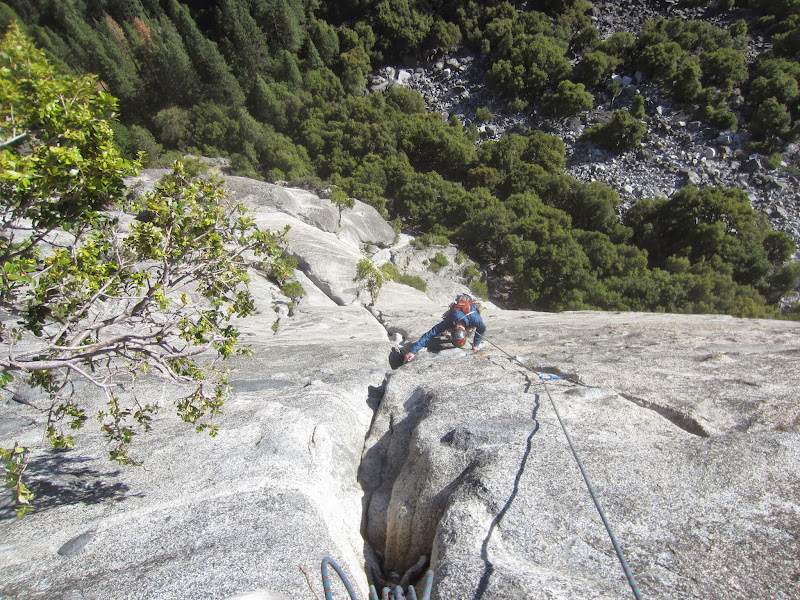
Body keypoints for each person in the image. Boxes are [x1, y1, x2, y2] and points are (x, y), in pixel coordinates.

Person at [404, 295, 486, 363]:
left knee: (470, 332)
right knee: (442, 327)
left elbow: (482, 329)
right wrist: (412, 351)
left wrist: (476, 344)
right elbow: (429, 335)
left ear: (465, 331)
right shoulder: (448, 321)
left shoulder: (475, 319)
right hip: (455, 315)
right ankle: (444, 330)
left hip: (469, 312)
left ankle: (445, 330)